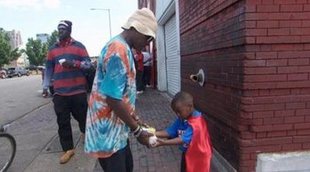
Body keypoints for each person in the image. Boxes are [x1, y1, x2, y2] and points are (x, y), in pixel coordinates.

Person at [84, 8, 157, 172]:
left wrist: (135, 120)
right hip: (107, 133)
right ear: (134, 28)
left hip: (116, 130)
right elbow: (112, 98)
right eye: (147, 37)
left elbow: (121, 93)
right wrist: (137, 131)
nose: (148, 42)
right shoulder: (119, 50)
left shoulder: (125, 49)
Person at [42, 20, 92, 164]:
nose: (60, 31)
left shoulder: (79, 47)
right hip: (59, 93)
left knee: (83, 117)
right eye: (58, 29)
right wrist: (46, 86)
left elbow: (89, 66)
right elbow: (49, 68)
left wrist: (74, 64)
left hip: (78, 91)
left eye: (63, 29)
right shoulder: (53, 49)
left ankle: (85, 133)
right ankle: (68, 149)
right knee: (62, 122)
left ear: (70, 30)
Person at [153, 91, 212, 172]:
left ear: (190, 107)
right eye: (176, 112)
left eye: (179, 111)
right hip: (188, 152)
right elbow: (170, 131)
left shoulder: (197, 123)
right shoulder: (182, 118)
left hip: (200, 155)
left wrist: (163, 142)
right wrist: (153, 133)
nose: (178, 114)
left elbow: (183, 139)